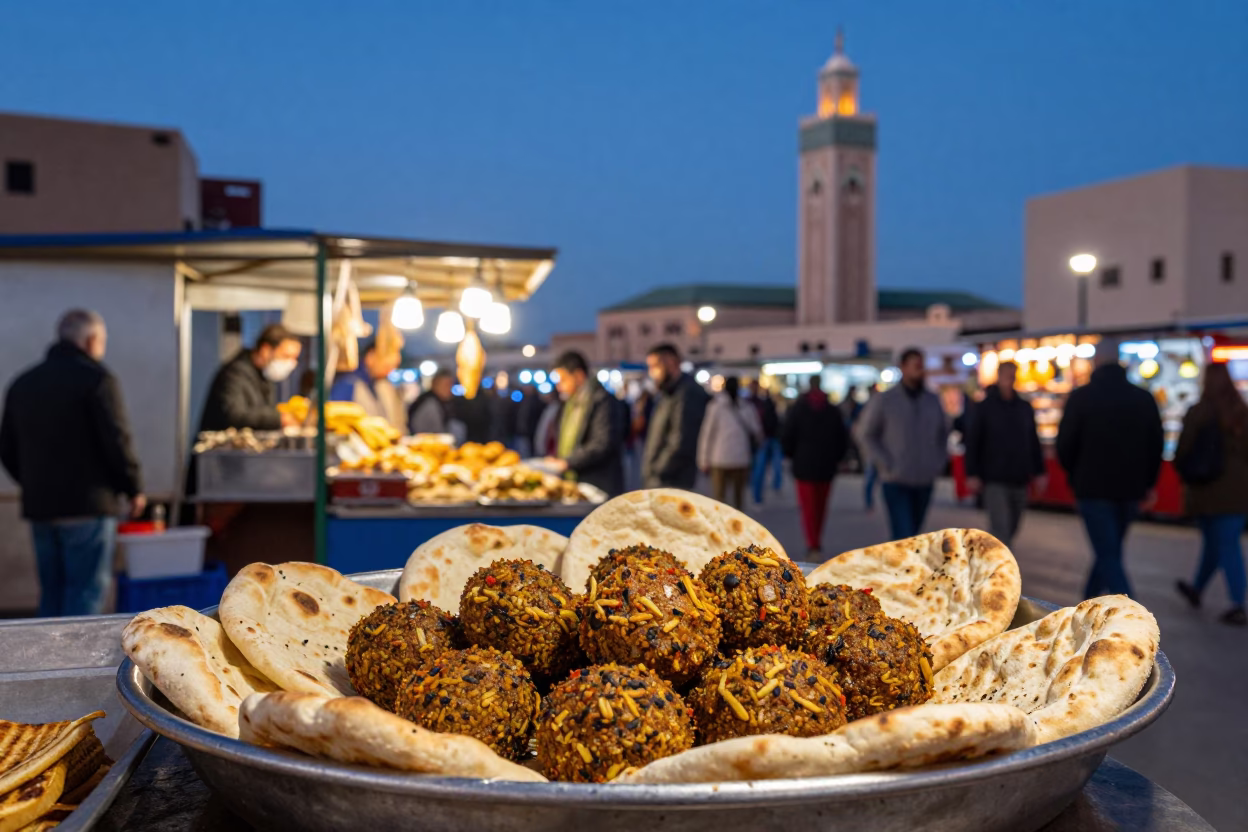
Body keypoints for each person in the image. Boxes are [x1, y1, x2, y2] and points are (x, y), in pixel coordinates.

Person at [0, 310, 145, 616]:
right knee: (85, 595)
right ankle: (78, 665)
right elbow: (117, 441)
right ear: (91, 339)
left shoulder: (23, 383)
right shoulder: (98, 379)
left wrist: (33, 482)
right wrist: (133, 488)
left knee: (51, 594)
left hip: (41, 507)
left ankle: (45, 664)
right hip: (89, 507)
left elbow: (7, 449)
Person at [1056, 338, 1163, 599]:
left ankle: (1132, 614)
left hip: (1092, 487)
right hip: (1131, 487)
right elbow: (1155, 444)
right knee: (1110, 550)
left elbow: (1065, 444)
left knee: (1108, 552)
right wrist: (1149, 482)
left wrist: (1075, 475)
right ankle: (1087, 602)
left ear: (1095, 361)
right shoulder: (1143, 398)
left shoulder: (1081, 398)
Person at [1173, 363, 1248, 625]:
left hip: (1205, 490)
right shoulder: (1242, 412)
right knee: (1220, 543)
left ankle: (1238, 603)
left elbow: (1182, 451)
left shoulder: (1198, 412)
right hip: (1239, 492)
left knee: (1222, 544)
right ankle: (1197, 589)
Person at [855, 348, 949, 540]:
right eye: (915, 365)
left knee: (914, 534)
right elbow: (865, 434)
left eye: (921, 365)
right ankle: (903, 569)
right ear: (903, 367)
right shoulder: (885, 400)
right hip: (895, 479)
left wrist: (937, 462)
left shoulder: (932, 400)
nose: (919, 370)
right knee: (903, 534)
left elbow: (943, 433)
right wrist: (885, 463)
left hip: (924, 479)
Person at [963, 361, 1047, 547]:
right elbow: (973, 441)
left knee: (1012, 526)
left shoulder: (1023, 407)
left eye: (1013, 375)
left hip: (1019, 476)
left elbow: (1033, 440)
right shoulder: (985, 407)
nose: (1010, 379)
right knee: (1002, 529)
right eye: (1007, 375)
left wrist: (1039, 471)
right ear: (999, 376)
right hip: (994, 477)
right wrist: (972, 473)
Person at [782, 376, 848, 555]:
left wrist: (791, 455)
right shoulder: (832, 410)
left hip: (804, 465)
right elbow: (842, 438)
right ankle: (816, 539)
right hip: (826, 465)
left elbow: (787, 435)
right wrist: (838, 458)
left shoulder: (798, 409)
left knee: (808, 507)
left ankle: (813, 542)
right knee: (821, 506)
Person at [544, 351, 625, 497]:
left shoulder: (603, 401)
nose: (558, 386)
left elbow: (602, 443)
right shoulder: (567, 403)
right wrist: (557, 459)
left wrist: (567, 463)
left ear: (578, 376)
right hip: (573, 483)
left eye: (562, 380)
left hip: (597, 485)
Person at [199, 323, 302, 432]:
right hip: (223, 447)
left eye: (294, 358)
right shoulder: (235, 373)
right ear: (265, 350)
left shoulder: (264, 376)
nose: (291, 363)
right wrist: (279, 419)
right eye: (286, 356)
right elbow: (234, 415)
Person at [641, 343, 709, 489]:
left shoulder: (687, 393)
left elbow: (680, 441)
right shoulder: (668, 392)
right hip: (663, 479)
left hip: (673, 481)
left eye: (654, 366)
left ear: (671, 363)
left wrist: (657, 470)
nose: (651, 373)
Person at [697, 376, 761, 509]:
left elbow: (707, 434)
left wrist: (703, 459)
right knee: (739, 500)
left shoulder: (715, 406)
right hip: (741, 458)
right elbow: (756, 430)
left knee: (719, 500)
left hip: (719, 458)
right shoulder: (746, 407)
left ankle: (721, 527)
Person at [328, 340, 404, 431]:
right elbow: (333, 420)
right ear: (370, 357)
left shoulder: (376, 384)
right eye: (386, 366)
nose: (389, 372)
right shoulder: (348, 383)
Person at [748, 379, 784, 504]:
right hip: (762, 439)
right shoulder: (751, 403)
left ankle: (760, 493)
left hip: (766, 438)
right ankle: (758, 494)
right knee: (760, 467)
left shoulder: (760, 403)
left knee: (761, 467)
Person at [408, 369, 456, 437]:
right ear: (435, 384)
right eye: (446, 385)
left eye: (451, 385)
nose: (449, 389)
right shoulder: (429, 403)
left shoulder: (440, 401)